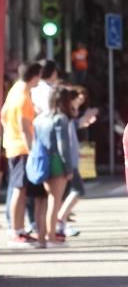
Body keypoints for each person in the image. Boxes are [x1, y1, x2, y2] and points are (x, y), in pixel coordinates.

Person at [1, 62, 43, 247]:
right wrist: (33, 150)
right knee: (20, 189)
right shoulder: (23, 96)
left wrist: (9, 134)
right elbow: (26, 127)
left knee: (19, 188)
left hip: (12, 144)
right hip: (22, 148)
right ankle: (15, 231)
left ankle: (18, 229)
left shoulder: (15, 90)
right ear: (35, 75)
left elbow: (2, 115)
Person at [33, 84, 77, 247]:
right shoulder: (61, 119)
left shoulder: (40, 118)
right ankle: (51, 237)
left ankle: (41, 237)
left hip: (42, 161)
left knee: (42, 201)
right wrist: (69, 168)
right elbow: (63, 146)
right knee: (54, 201)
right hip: (57, 162)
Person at [57, 85, 96, 238]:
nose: (79, 102)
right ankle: (59, 220)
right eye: (76, 99)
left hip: (70, 160)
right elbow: (64, 143)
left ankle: (60, 222)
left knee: (67, 193)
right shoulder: (63, 118)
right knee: (77, 190)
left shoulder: (67, 116)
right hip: (68, 162)